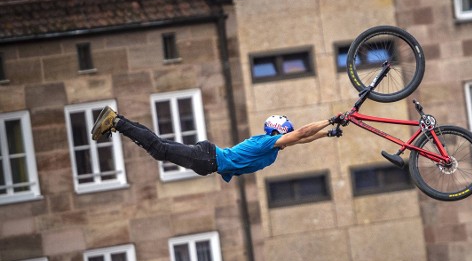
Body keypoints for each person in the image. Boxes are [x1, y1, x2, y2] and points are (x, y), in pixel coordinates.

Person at [90, 106, 343, 182]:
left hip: (209, 159)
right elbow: (300, 134)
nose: (290, 137)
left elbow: (302, 139)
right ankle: (117, 122)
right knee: (158, 148)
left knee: (159, 147)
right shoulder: (269, 143)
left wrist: (329, 133)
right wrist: (330, 119)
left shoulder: (273, 148)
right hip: (208, 159)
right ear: (280, 131)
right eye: (287, 133)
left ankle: (118, 122)